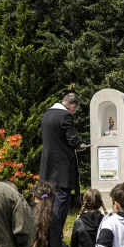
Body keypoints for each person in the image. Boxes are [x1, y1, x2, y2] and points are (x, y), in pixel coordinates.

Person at [39, 91, 83, 232]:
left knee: (47, 201)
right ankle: (56, 234)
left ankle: (46, 230)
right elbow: (74, 141)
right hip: (62, 170)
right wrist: (80, 146)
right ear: (72, 106)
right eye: (75, 110)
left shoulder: (46, 115)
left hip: (46, 167)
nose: (74, 112)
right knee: (61, 203)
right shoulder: (65, 116)